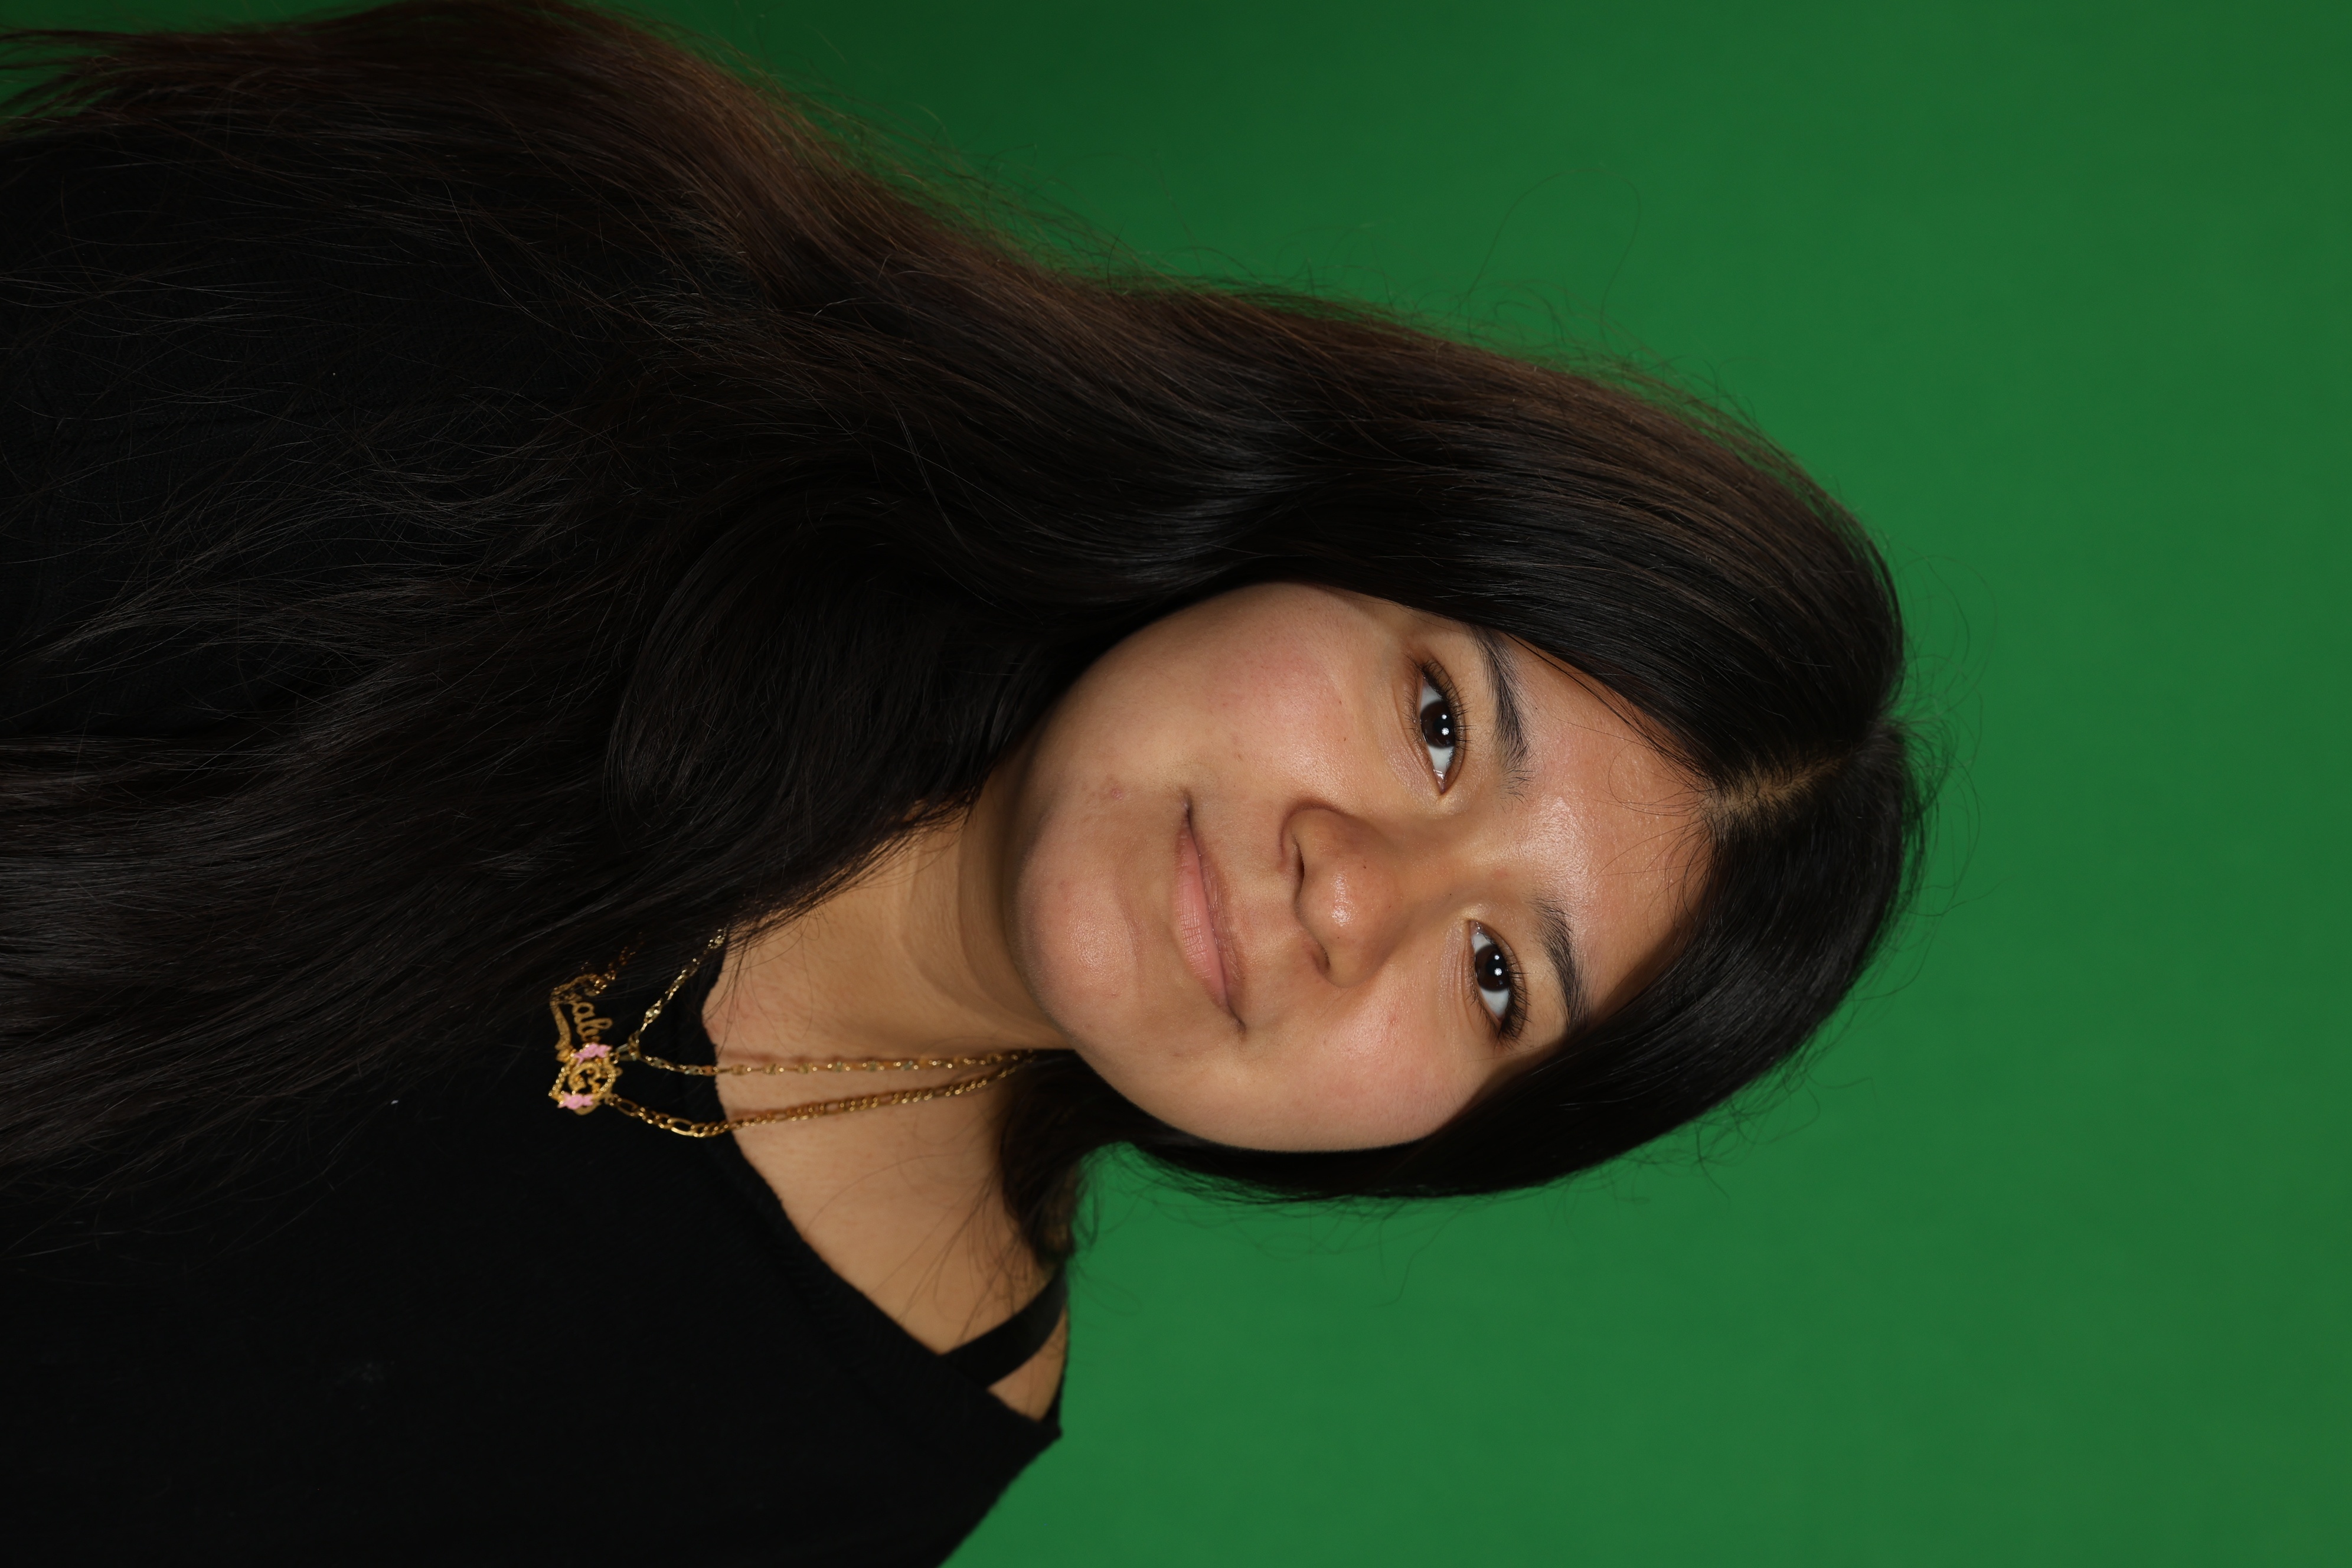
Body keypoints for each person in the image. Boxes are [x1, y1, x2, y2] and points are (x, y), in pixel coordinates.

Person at [0, 1, 1925, 1562]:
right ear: (1332, 526)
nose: (1353, 890)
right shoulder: (560, 285)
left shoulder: (880, 1429)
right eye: (1438, 724)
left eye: (1499, 977)